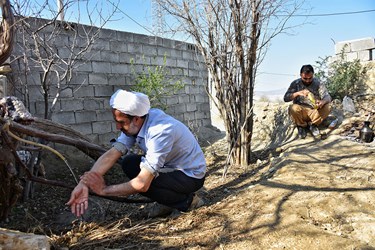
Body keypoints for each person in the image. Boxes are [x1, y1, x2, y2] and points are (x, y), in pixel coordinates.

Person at [67, 89, 206, 218]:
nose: (118, 127)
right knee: (130, 164)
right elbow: (112, 153)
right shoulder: (138, 122)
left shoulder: (161, 131)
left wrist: (103, 190)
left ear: (137, 119)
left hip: (190, 175)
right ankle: (168, 200)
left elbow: (142, 184)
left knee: (144, 180)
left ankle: (188, 202)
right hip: (169, 167)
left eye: (121, 122)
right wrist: (84, 183)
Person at [284, 64, 332, 139]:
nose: (308, 81)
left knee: (328, 106)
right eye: (305, 78)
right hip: (301, 111)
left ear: (313, 75)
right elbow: (286, 98)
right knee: (293, 108)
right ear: (300, 75)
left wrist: (322, 102)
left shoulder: (318, 83)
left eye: (310, 78)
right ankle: (301, 126)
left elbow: (328, 97)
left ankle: (313, 125)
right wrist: (297, 93)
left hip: (314, 111)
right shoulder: (295, 83)